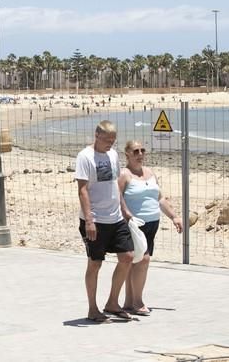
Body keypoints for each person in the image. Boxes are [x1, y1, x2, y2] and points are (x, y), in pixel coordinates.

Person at [76, 120, 134, 322]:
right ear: (97, 135)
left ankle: (112, 302)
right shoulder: (85, 157)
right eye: (107, 139)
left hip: (115, 217)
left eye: (113, 140)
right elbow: (82, 190)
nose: (110, 143)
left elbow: (115, 184)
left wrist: (124, 208)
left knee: (127, 256)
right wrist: (89, 220)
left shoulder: (113, 155)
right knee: (95, 263)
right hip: (95, 220)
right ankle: (93, 308)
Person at [119, 140, 182, 316]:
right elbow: (117, 197)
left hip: (152, 224)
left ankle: (129, 302)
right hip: (134, 225)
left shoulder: (150, 173)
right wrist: (127, 215)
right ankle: (138, 302)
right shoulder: (124, 174)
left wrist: (174, 216)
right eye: (135, 151)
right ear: (127, 154)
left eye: (142, 150)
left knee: (135, 262)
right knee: (142, 260)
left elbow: (160, 198)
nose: (140, 154)